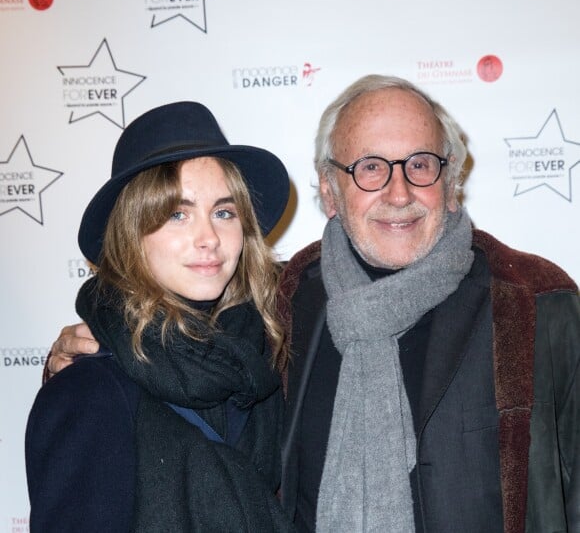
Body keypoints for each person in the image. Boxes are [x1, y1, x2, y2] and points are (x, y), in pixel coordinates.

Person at [46, 76, 580, 532]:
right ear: (328, 189)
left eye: (420, 163)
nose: (398, 193)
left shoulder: (537, 303)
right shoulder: (287, 306)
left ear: (450, 179)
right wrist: (77, 367)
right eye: (370, 167)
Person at [26, 101, 296, 532]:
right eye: (177, 214)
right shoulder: (88, 390)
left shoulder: (262, 366)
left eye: (224, 213)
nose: (208, 237)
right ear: (132, 232)